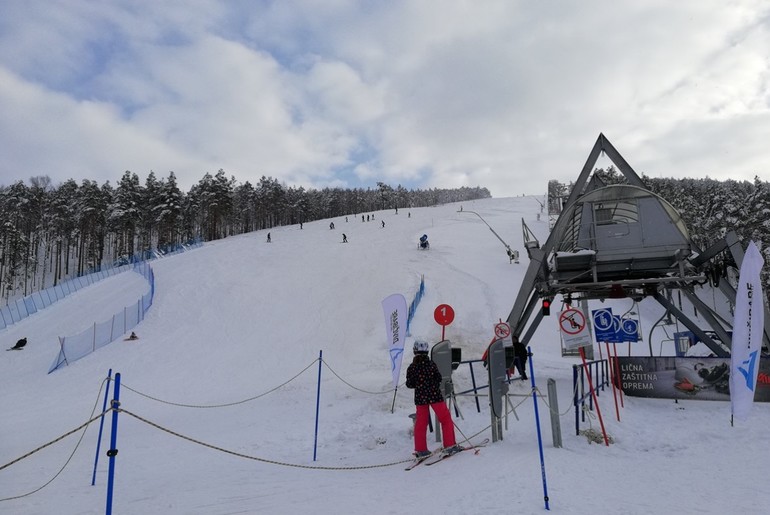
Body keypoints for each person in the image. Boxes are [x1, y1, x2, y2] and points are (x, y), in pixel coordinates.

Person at [406, 340, 460, 457]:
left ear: (414, 351)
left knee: (421, 423)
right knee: (445, 419)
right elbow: (438, 378)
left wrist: (419, 383)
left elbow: (409, 384)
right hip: (434, 395)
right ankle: (450, 445)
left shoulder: (412, 367)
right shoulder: (431, 365)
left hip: (420, 398)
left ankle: (421, 450)